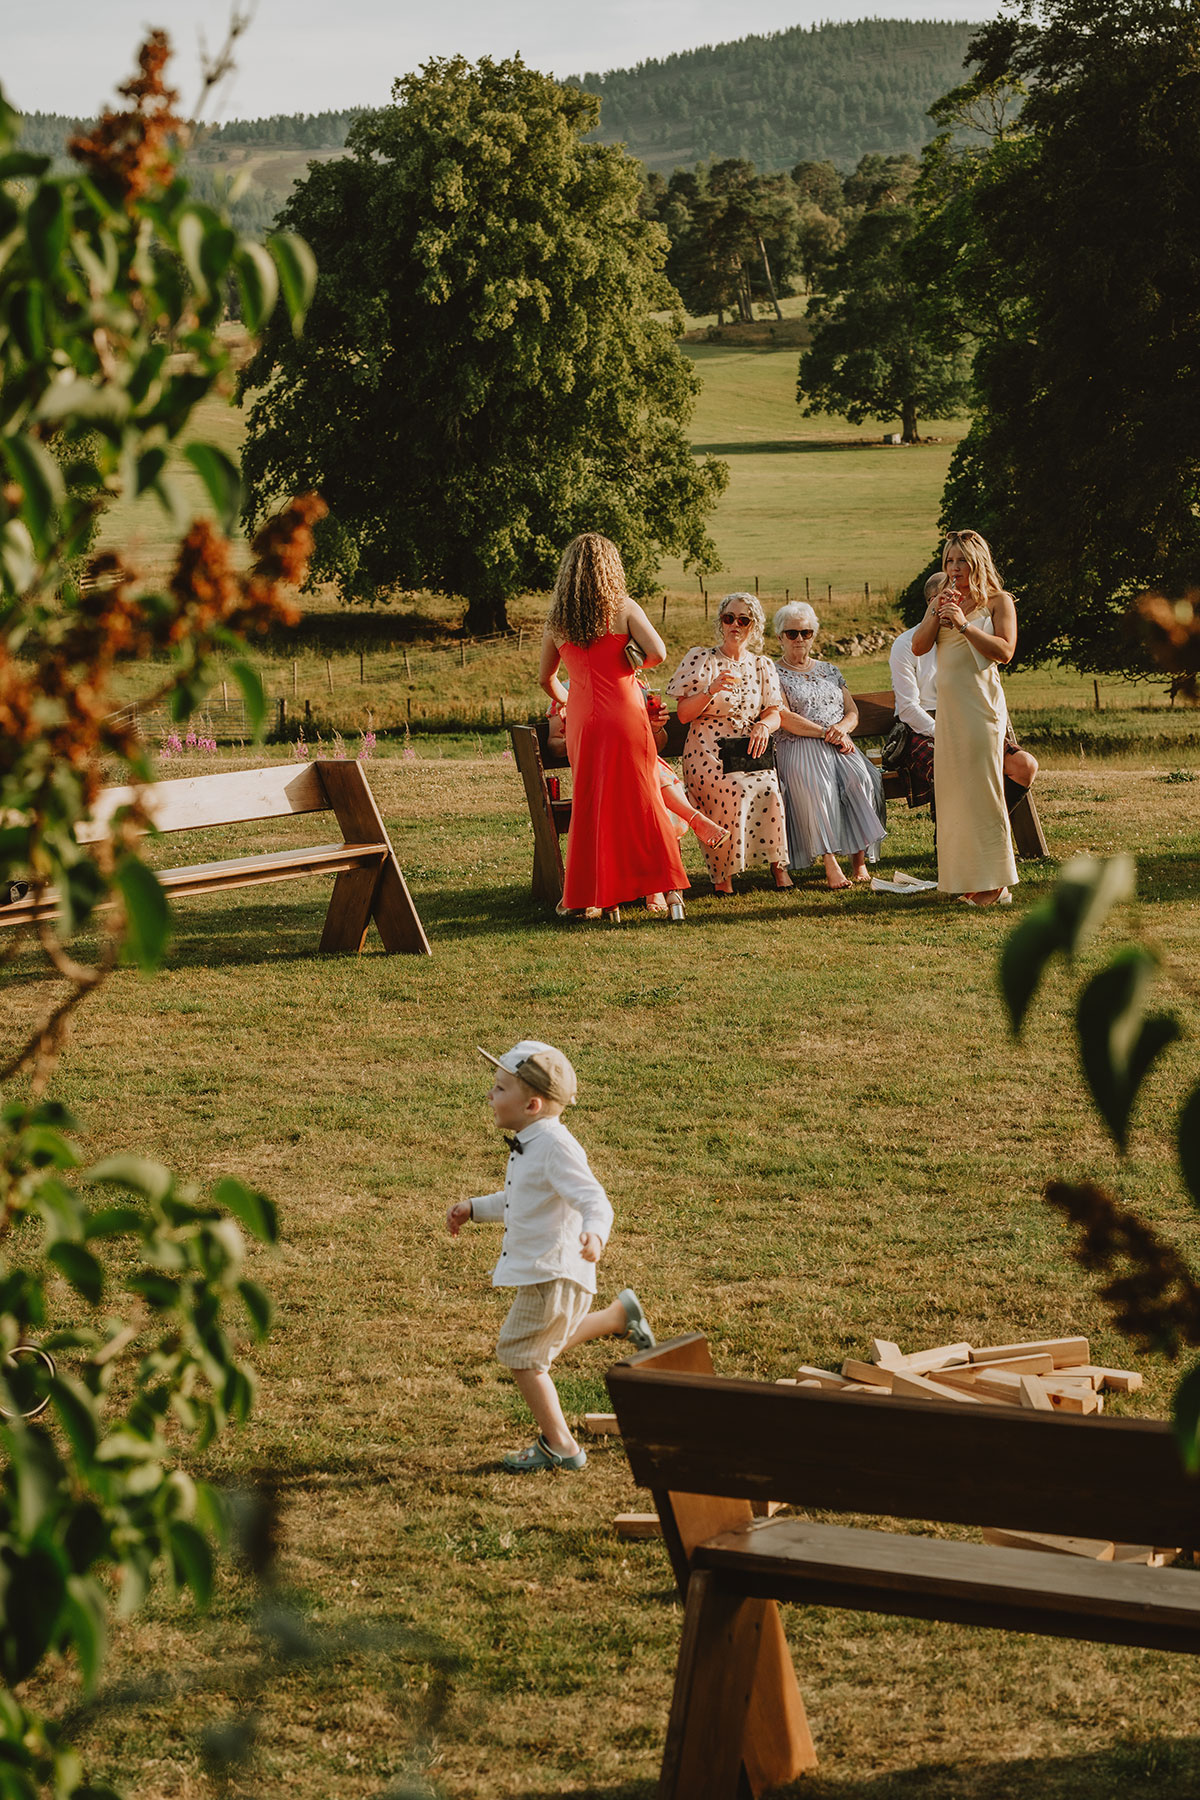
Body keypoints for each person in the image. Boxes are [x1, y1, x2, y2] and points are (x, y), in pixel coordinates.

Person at [447, 1041, 656, 1472]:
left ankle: (561, 1445)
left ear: (532, 1104)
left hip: (553, 1272)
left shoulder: (556, 1146)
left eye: (500, 1088)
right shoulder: (532, 1142)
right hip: (550, 1272)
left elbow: (595, 1200)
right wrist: (475, 1208)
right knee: (539, 1345)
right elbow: (523, 1198)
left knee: (522, 1356)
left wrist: (595, 1235)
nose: (490, 1095)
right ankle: (617, 1317)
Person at [539, 534, 688, 919]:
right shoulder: (623, 608)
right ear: (611, 568)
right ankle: (669, 892)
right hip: (625, 712)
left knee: (593, 804)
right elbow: (658, 652)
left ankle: (601, 897)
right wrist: (628, 665)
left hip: (584, 721)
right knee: (644, 798)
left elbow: (546, 679)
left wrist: (572, 700)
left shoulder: (557, 619)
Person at [910, 529, 1019, 906]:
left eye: (960, 560)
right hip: (951, 712)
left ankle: (996, 883)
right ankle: (974, 879)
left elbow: (1005, 651)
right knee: (957, 796)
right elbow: (919, 646)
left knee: (984, 794)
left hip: (981, 708)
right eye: (948, 561)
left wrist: (963, 623)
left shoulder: (998, 601)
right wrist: (936, 612)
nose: (954, 568)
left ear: (977, 561)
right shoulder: (942, 600)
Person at [665, 593, 791, 895]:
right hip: (707, 749)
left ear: (754, 626)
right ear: (720, 622)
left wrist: (764, 724)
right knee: (735, 789)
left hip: (747, 750)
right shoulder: (702, 659)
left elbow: (775, 712)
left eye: (743, 620)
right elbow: (683, 715)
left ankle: (779, 867)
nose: (735, 624)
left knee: (771, 789)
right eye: (729, 618)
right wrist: (711, 690)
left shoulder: (761, 665)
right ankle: (724, 875)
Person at [890, 573, 1039, 812]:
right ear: (932, 603)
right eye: (950, 598)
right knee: (954, 767)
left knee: (1024, 766)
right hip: (925, 727)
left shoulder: (969, 633)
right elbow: (908, 709)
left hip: (969, 719)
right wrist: (946, 735)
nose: (962, 605)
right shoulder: (907, 644)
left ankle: (987, 828)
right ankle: (950, 843)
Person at [772, 602, 887, 889]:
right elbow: (785, 718)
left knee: (862, 778)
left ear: (814, 635)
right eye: (792, 633)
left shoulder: (830, 669)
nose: (799, 639)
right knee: (817, 785)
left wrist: (842, 729)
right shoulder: (773, 673)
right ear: (779, 637)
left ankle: (858, 859)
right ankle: (830, 862)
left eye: (806, 632)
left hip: (838, 742)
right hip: (799, 743)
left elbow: (852, 712)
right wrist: (826, 732)